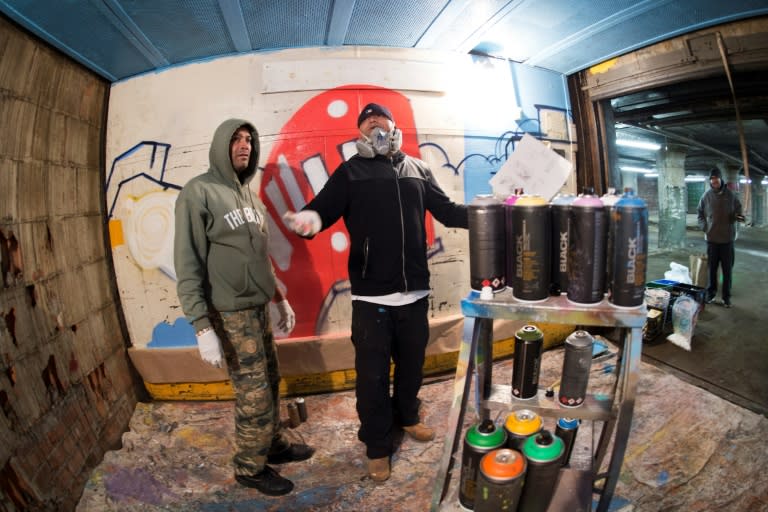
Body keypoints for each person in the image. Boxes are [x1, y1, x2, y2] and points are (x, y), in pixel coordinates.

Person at [283, 103, 468, 482]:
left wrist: (489, 212)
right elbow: (322, 210)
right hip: (371, 299)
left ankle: (408, 418)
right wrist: (308, 220)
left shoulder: (418, 168)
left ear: (393, 127)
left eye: (380, 119)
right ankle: (377, 446)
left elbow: (448, 212)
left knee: (412, 367)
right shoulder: (351, 172)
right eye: (367, 122)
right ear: (361, 134)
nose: (374, 124)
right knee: (371, 378)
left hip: (414, 294)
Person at [174, 118, 314, 496]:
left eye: (249, 140)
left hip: (257, 311)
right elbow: (187, 263)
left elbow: (258, 257)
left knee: (269, 383)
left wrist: (279, 297)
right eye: (236, 139)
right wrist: (203, 327)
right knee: (253, 395)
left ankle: (274, 445)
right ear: (221, 144)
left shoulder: (251, 197)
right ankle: (249, 468)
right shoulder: (198, 192)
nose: (244, 146)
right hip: (230, 314)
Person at [696, 167, 744, 308]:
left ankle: (726, 297)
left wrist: (739, 216)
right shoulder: (706, 196)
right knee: (712, 270)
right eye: (712, 179)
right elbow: (699, 213)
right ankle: (711, 294)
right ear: (710, 181)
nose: (714, 181)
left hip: (727, 240)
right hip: (712, 240)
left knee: (727, 271)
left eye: (716, 178)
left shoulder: (731, 195)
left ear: (721, 179)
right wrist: (705, 227)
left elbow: (739, 211)